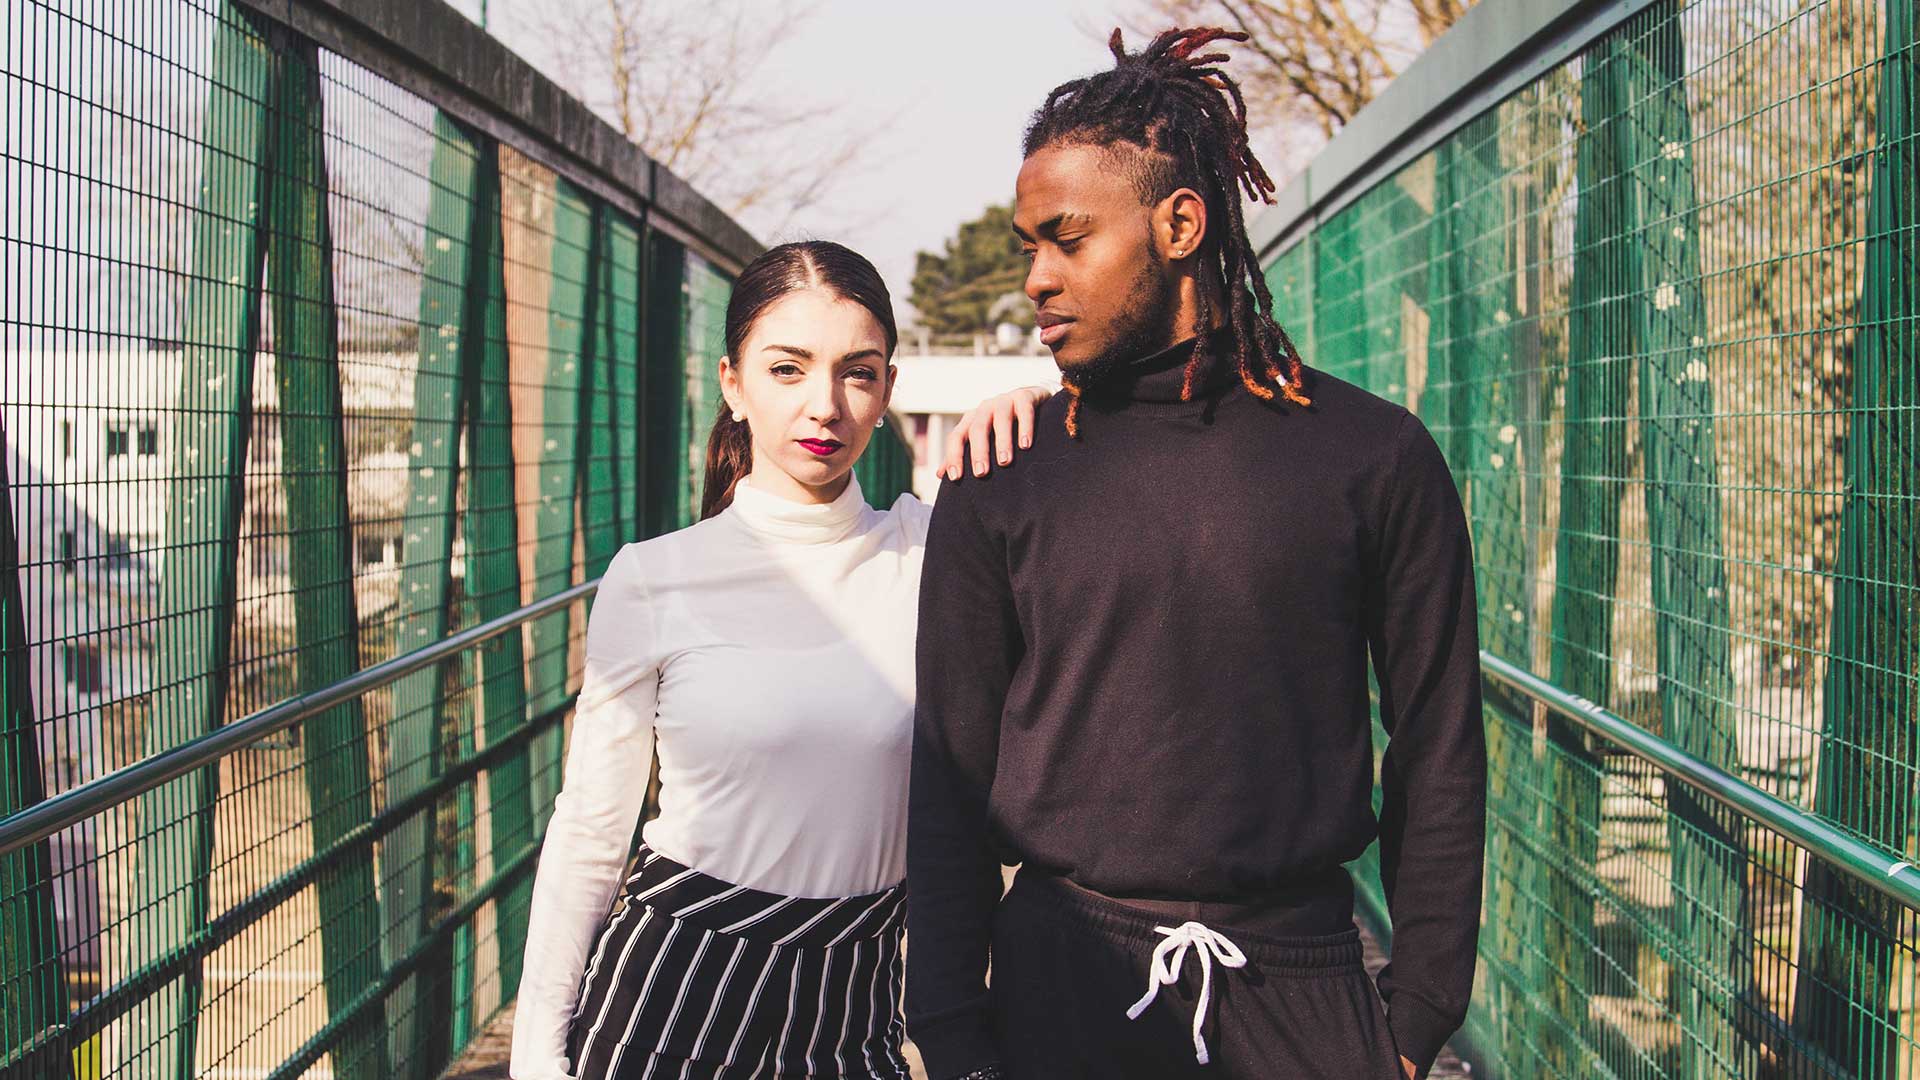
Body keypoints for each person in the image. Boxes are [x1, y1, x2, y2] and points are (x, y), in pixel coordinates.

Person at [906, 27, 1487, 1080]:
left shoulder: (1373, 456)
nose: (1035, 278)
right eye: (1026, 245)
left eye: (1067, 241)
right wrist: (950, 1036)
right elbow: (948, 773)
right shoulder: (1000, 473)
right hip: (1056, 988)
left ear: (1179, 223)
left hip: (1303, 992)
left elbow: (1439, 748)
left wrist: (1417, 1019)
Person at [509, 240, 1048, 1080]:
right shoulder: (654, 576)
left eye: (857, 373)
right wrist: (537, 1056)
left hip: (858, 995)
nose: (824, 405)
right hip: (673, 989)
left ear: (888, 393)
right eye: (788, 369)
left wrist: (1050, 415)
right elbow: (589, 833)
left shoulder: (935, 554)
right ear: (733, 383)